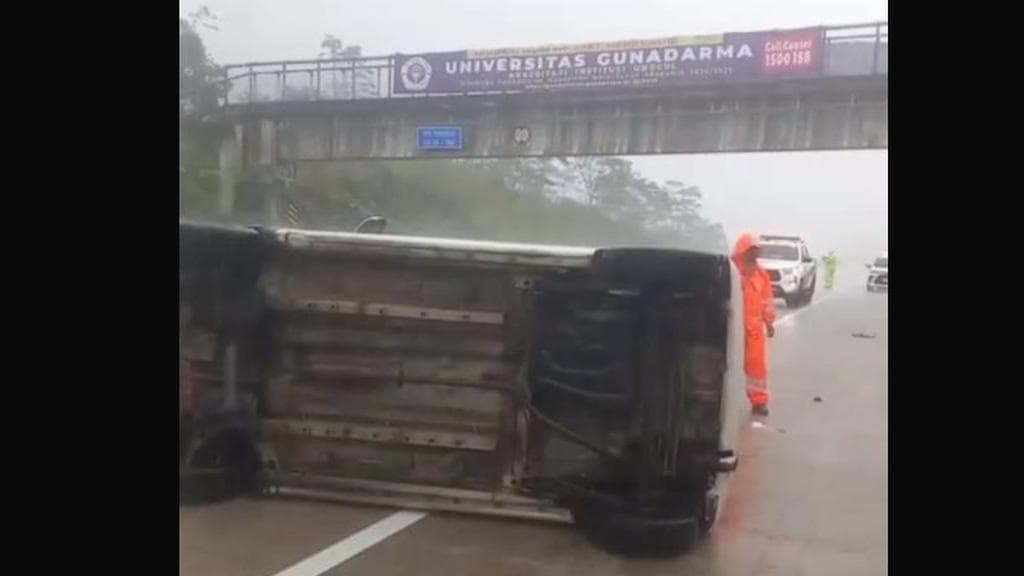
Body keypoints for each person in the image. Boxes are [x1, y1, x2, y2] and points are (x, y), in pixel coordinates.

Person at [731, 234, 776, 416]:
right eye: (751, 251)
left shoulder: (762, 275)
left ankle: (759, 402)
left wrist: (769, 322)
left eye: (756, 252)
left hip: (754, 330)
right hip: (733, 327)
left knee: (757, 369)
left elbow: (767, 300)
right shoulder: (732, 274)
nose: (754, 256)